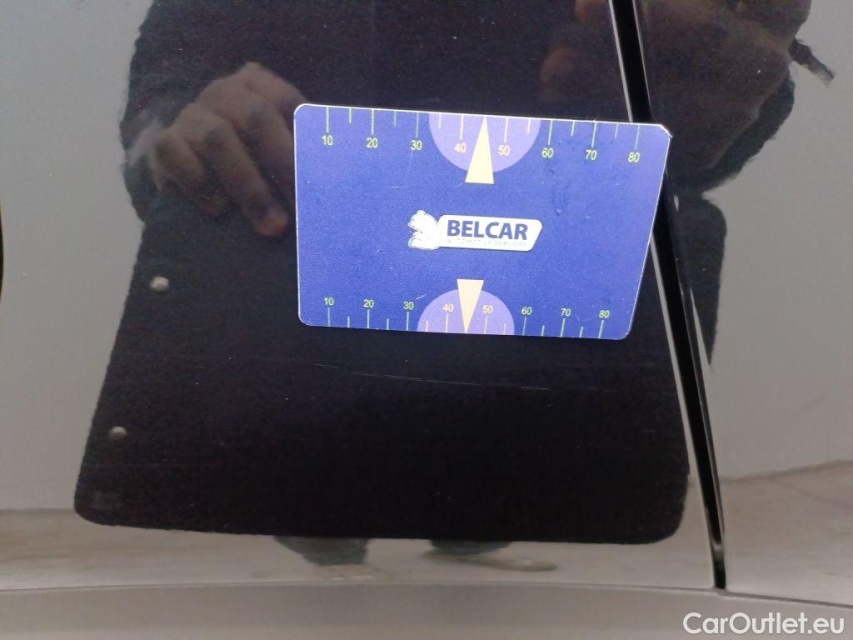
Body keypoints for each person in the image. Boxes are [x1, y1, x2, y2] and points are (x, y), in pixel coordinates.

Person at [117, 0, 823, 572]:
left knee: (457, 501)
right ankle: (382, 520)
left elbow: (713, 118)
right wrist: (179, 133)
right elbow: (170, 89)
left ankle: (434, 520)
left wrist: (724, 91)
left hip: (493, 340)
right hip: (323, 322)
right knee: (333, 510)